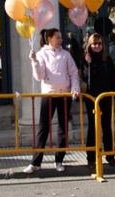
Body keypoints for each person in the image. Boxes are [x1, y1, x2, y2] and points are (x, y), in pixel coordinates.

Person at [24, 28, 80, 174]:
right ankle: (36, 162)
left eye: (61, 37)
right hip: (48, 95)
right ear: (49, 38)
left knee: (63, 128)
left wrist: (75, 88)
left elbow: (73, 73)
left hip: (64, 95)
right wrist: (34, 61)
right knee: (43, 129)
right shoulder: (42, 54)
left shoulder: (66, 55)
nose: (61, 40)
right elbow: (40, 76)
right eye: (58, 37)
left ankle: (59, 160)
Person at [81, 33, 115, 169]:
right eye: (94, 44)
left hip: (105, 97)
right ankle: (91, 158)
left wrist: (114, 90)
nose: (97, 46)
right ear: (90, 45)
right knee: (92, 128)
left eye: (99, 43)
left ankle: (110, 156)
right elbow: (87, 79)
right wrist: (89, 64)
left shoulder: (107, 60)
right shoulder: (87, 59)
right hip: (92, 97)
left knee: (106, 127)